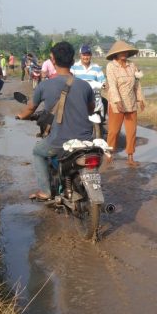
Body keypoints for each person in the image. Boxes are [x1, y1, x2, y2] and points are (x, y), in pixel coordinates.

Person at [14, 42, 95, 200]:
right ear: (72, 61)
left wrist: (20, 115)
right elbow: (90, 110)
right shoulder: (85, 86)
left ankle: (45, 191)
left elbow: (30, 109)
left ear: (53, 61)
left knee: (38, 152)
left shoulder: (44, 86)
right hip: (85, 141)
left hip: (59, 142)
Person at [105, 40, 145, 167]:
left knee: (131, 131)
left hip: (131, 103)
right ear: (116, 54)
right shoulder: (111, 66)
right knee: (114, 131)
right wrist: (117, 101)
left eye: (125, 51)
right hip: (117, 104)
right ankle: (109, 156)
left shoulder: (132, 66)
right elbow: (112, 85)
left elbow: (137, 84)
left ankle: (130, 156)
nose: (124, 53)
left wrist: (140, 99)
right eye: (121, 52)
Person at [70, 44, 107, 120]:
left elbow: (103, 81)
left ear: (91, 55)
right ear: (80, 55)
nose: (86, 57)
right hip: (79, 96)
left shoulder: (96, 68)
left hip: (94, 96)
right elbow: (70, 79)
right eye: (84, 55)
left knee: (105, 102)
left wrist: (104, 85)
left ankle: (101, 122)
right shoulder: (74, 67)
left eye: (88, 55)